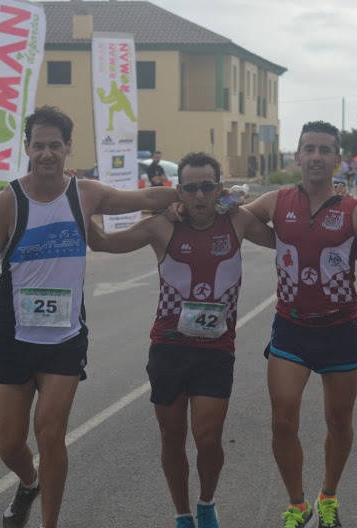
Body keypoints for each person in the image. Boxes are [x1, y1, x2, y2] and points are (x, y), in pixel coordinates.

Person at [0, 105, 180, 528]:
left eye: (54, 145)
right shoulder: (9, 201)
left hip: (64, 338)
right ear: (27, 148)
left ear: (67, 148)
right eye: (38, 145)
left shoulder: (85, 194)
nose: (46, 153)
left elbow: (147, 198)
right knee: (9, 444)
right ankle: (27, 482)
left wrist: (194, 193)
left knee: (50, 432)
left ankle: (49, 523)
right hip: (14, 338)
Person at [87, 152, 274, 528]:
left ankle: (206, 501)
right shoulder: (161, 227)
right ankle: (182, 514)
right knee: (172, 437)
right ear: (180, 192)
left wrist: (243, 198)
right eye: (190, 189)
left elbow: (289, 236)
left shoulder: (237, 221)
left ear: (218, 188)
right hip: (169, 348)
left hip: (217, 348)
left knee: (207, 436)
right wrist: (80, 209)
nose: (200, 196)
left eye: (208, 187)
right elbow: (105, 244)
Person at [244, 121, 357, 528]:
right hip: (291, 329)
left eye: (325, 150)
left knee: (339, 422)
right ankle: (296, 504)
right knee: (283, 420)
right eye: (309, 149)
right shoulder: (277, 202)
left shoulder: (356, 213)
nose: (316, 157)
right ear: (297, 157)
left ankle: (327, 496)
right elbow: (235, 221)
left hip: (341, 332)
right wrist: (188, 203)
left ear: (338, 160)